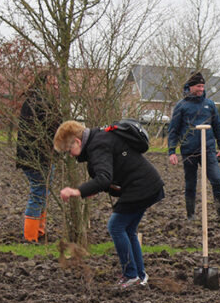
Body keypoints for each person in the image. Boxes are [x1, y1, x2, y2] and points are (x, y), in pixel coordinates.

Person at [55, 120, 165, 288]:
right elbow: (108, 178)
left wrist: (77, 191)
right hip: (147, 185)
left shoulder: (98, 145)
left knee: (116, 226)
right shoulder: (100, 139)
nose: (70, 155)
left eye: (69, 150)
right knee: (127, 229)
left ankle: (131, 275)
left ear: (77, 142)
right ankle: (140, 276)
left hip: (141, 187)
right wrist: (93, 189)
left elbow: (104, 178)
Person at [167, 71, 220, 223]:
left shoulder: (209, 105)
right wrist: (172, 151)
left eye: (203, 86)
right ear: (191, 87)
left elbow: (217, 126)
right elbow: (173, 130)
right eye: (198, 86)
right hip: (189, 151)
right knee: (190, 183)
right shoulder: (182, 106)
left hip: (208, 150)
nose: (201, 89)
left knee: (216, 181)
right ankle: (191, 215)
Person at [16, 69, 61, 243]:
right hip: (37, 157)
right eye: (53, 82)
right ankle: (30, 236)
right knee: (38, 194)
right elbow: (53, 127)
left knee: (42, 194)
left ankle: (39, 233)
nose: (56, 85)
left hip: (40, 156)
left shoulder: (37, 100)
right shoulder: (39, 102)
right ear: (44, 83)